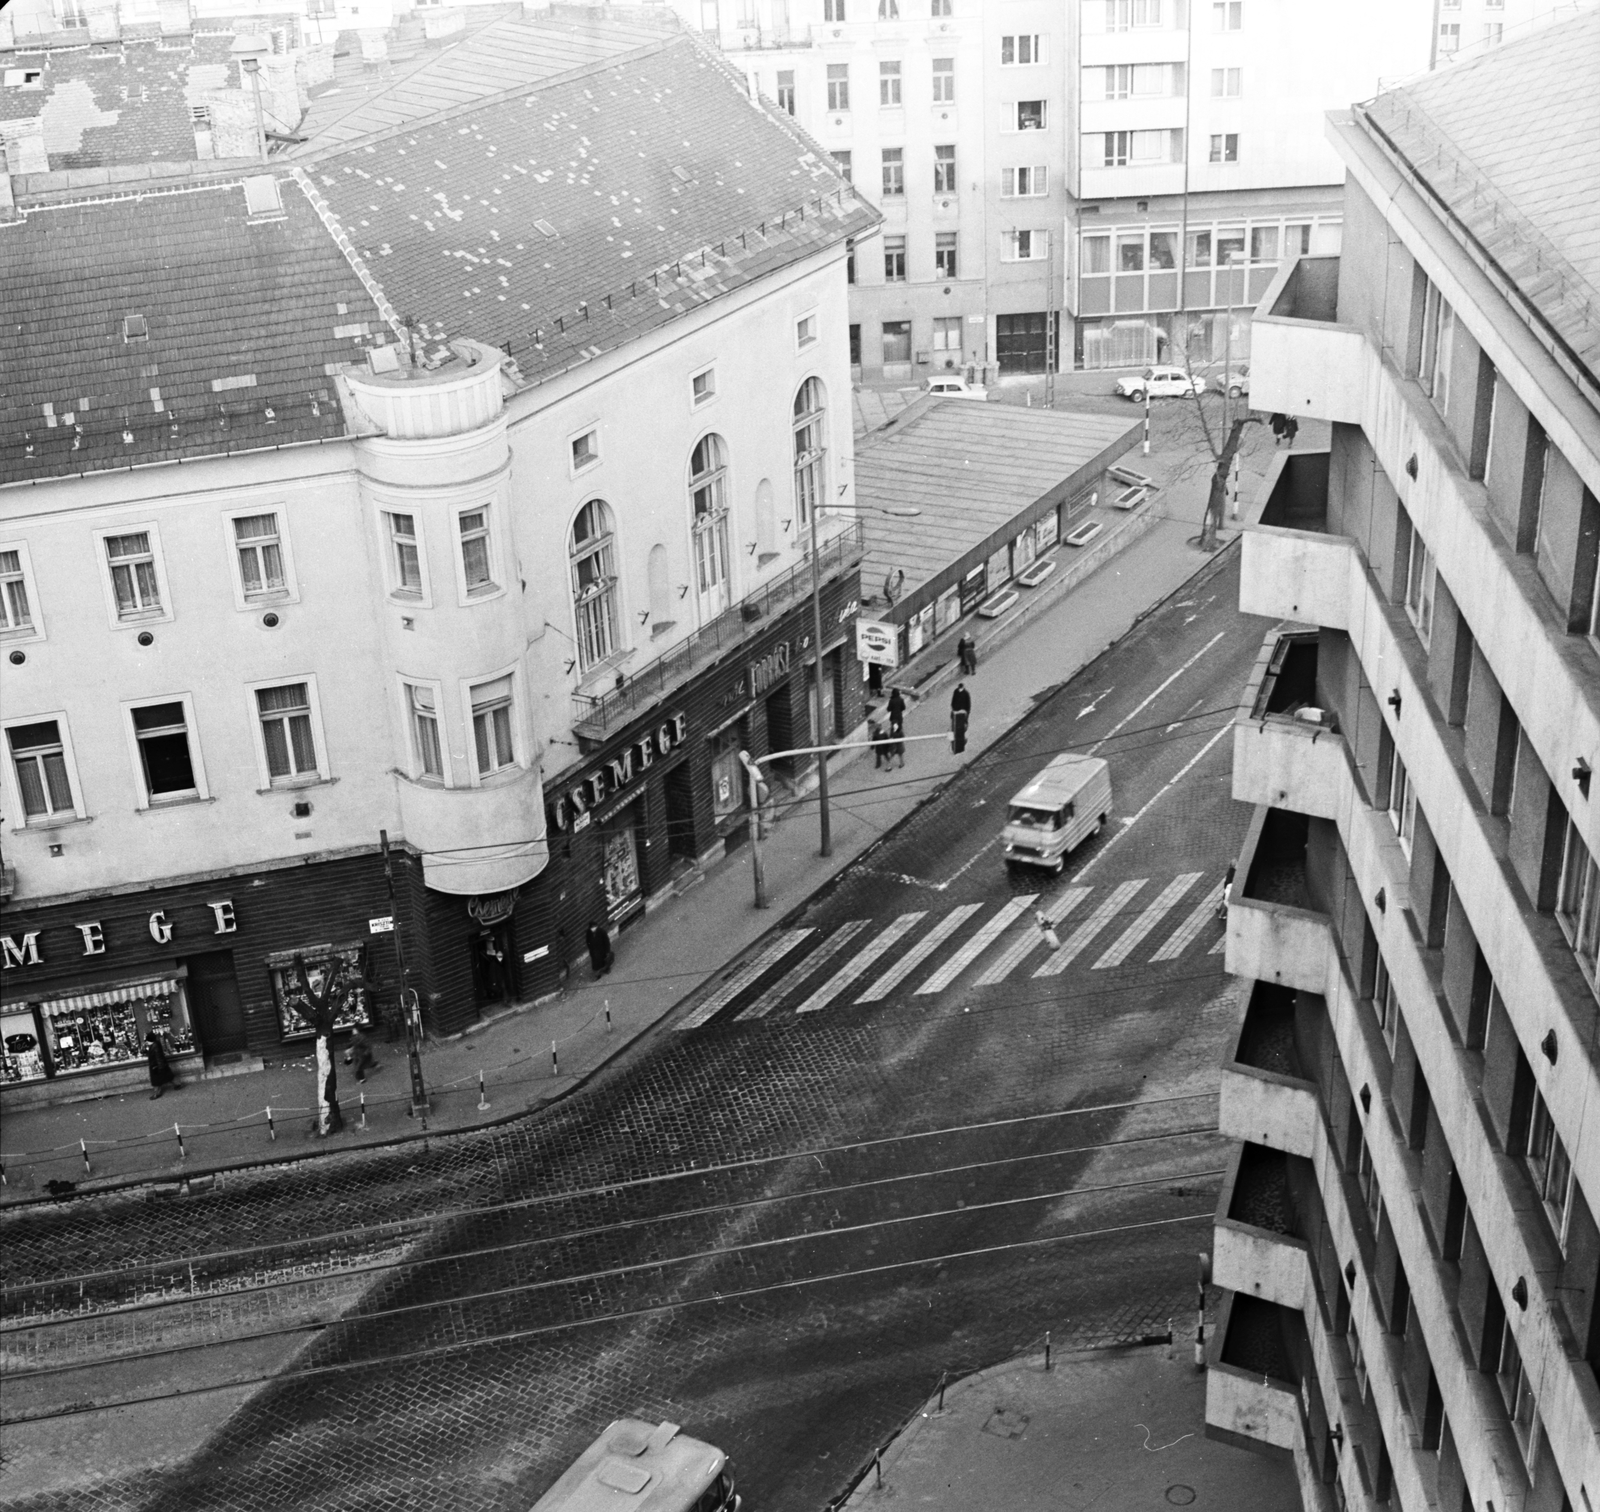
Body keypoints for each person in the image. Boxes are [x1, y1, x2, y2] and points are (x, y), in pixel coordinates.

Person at [145, 1031, 176, 1100]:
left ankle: (157, 1094)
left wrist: (160, 1067)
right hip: (161, 1065)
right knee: (169, 1076)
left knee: (156, 1081)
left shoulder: (154, 1046)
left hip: (156, 1066)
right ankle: (177, 1084)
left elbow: (158, 1057)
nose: (147, 1042)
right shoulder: (156, 1044)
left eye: (148, 1040)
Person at [950, 681, 971, 754]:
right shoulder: (958, 692)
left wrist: (967, 713)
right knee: (955, 726)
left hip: (961, 713)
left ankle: (962, 740)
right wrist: (953, 708)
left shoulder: (965, 693)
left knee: (960, 728)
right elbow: (953, 700)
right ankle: (955, 740)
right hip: (957, 711)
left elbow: (968, 705)